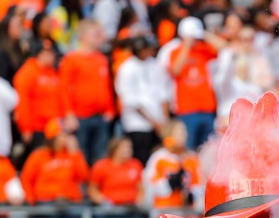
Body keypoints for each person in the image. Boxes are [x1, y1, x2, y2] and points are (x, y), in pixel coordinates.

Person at [59, 19, 115, 166]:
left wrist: (110, 108)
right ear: (83, 37)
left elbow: (106, 86)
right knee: (81, 157)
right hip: (80, 117)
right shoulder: (71, 59)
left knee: (101, 157)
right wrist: (69, 114)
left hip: (101, 116)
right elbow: (63, 88)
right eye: (96, 34)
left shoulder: (102, 59)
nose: (101, 37)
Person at [115, 35, 171, 165]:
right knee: (141, 160)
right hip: (137, 124)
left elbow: (163, 92)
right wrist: (155, 123)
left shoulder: (155, 64)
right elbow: (130, 101)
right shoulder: (126, 68)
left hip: (159, 122)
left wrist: (165, 121)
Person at [169, 16, 222, 149]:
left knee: (208, 148)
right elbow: (176, 70)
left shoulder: (203, 49)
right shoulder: (175, 51)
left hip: (207, 108)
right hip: (187, 110)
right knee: (188, 148)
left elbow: (224, 48)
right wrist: (186, 45)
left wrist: (203, 34)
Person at [12, 39, 66, 167]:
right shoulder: (27, 73)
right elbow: (22, 103)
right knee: (36, 162)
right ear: (39, 54)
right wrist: (26, 128)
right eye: (49, 53)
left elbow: (61, 96)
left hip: (53, 127)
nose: (53, 56)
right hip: (37, 128)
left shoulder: (53, 73)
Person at [213, 26, 274, 118]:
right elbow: (222, 80)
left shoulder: (260, 60)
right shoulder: (230, 59)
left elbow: (267, 84)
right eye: (244, 40)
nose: (248, 43)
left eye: (251, 39)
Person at [20, 125, 89, 205]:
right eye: (63, 135)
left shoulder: (73, 155)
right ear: (54, 138)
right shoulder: (38, 155)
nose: (66, 138)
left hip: (70, 201)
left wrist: (75, 153)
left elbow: (84, 177)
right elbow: (26, 179)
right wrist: (31, 200)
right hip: (45, 201)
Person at [144, 120, 203, 211]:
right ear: (170, 135)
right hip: (164, 209)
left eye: (184, 132)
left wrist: (192, 195)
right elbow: (149, 183)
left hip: (186, 210)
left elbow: (198, 183)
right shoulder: (159, 157)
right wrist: (170, 184)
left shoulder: (191, 157)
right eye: (180, 133)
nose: (184, 135)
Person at [89, 137, 144, 207]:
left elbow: (141, 189)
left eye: (129, 147)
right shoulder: (101, 165)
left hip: (131, 207)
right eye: (124, 147)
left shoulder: (136, 165)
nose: (128, 150)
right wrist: (103, 201)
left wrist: (139, 202)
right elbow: (92, 190)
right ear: (115, 149)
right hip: (109, 208)